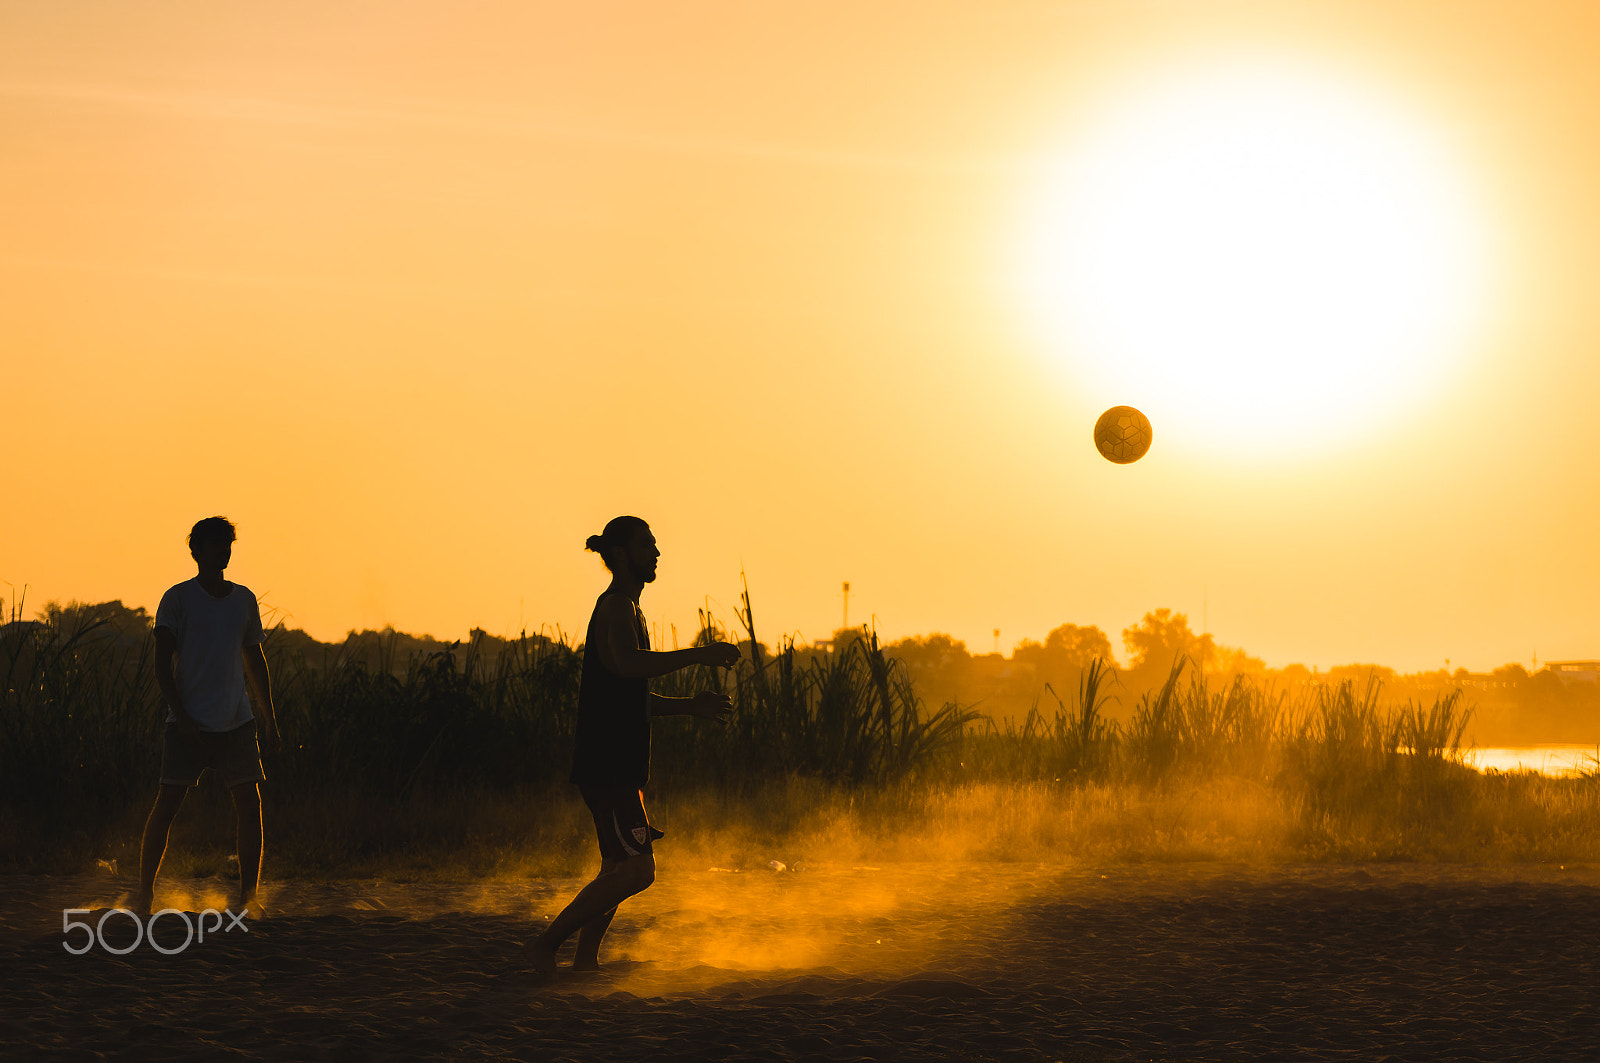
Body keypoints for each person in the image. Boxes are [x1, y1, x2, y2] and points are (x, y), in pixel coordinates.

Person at [525, 516, 740, 974]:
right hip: (609, 766)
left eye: (656, 545)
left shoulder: (629, 609)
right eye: (647, 546)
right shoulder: (617, 607)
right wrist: (701, 653)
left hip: (617, 764)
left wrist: (689, 707)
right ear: (620, 554)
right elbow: (626, 665)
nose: (656, 553)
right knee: (638, 871)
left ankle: (585, 958)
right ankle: (545, 945)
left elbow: (631, 696)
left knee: (616, 867)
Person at [130, 516, 281, 919]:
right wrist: (183, 719)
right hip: (188, 724)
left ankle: (248, 898)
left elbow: (255, 658)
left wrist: (269, 716)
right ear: (195, 550)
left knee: (250, 806)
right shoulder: (177, 599)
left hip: (236, 721)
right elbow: (163, 665)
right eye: (214, 544)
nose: (223, 550)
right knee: (168, 805)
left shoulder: (244, 599)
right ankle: (144, 893)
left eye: (227, 543)